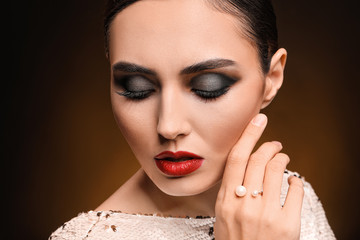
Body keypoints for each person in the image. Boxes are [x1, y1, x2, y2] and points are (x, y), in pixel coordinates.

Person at [49, 0, 336, 239]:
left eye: (208, 87)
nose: (168, 126)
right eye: (137, 88)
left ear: (271, 79)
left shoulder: (292, 200)